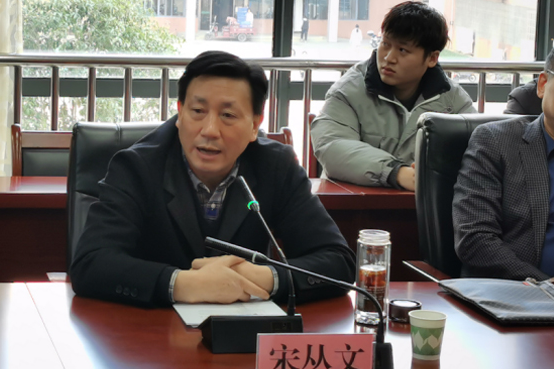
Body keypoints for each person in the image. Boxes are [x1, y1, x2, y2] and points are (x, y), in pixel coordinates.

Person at [70, 51, 354, 307]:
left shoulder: (276, 167)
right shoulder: (136, 167)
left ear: (254, 125)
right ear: (180, 113)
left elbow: (338, 261)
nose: (209, 130)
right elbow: (90, 264)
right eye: (197, 111)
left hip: (244, 335)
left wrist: (264, 277)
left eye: (228, 115)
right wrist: (182, 283)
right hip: (152, 333)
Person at [310, 2, 475, 191]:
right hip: (357, 202)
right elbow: (332, 145)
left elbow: (479, 150)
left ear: (432, 58)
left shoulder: (453, 101)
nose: (388, 58)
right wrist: (396, 172)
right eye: (385, 44)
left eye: (402, 50)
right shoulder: (349, 90)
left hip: (426, 205)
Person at [453, 49, 554, 280]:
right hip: (518, 291)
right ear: (543, 84)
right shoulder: (496, 142)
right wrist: (544, 285)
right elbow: (474, 238)